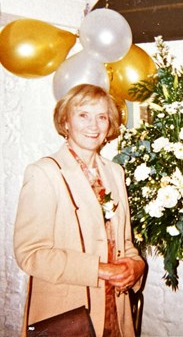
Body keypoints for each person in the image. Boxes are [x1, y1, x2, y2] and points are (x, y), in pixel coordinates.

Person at [14, 84, 146, 337]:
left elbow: (125, 242)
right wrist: (101, 269)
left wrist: (136, 267)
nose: (93, 126)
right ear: (65, 122)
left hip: (115, 312)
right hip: (67, 315)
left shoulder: (115, 173)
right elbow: (31, 254)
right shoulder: (44, 173)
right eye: (83, 115)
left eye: (102, 117)